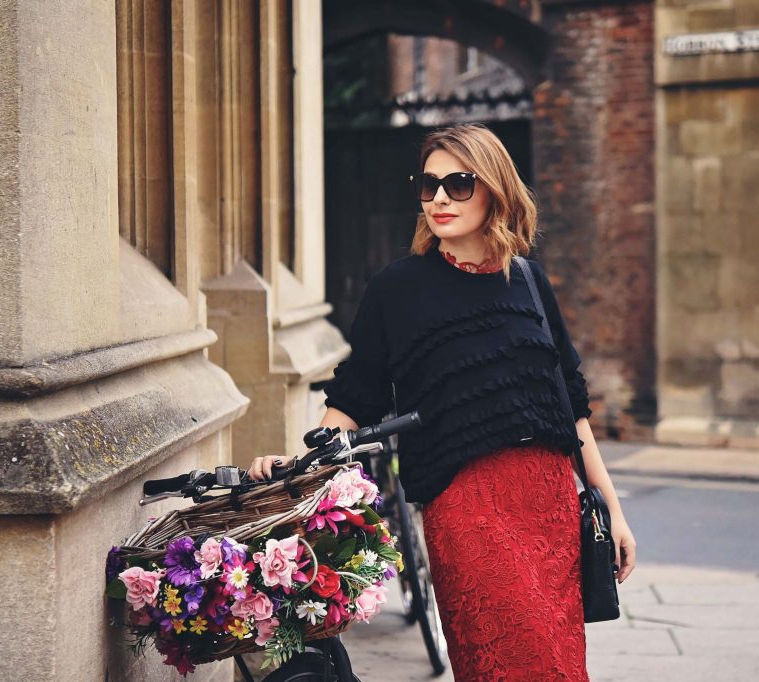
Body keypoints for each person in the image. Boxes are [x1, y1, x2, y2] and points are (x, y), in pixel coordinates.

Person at [249, 122, 636, 680]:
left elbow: (571, 405)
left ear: (494, 188)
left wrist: (611, 509)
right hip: (467, 509)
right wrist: (300, 466)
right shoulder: (397, 289)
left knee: (558, 665)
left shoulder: (530, 282)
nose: (438, 199)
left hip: (549, 509)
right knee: (506, 664)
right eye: (427, 186)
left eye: (458, 184)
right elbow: (356, 393)